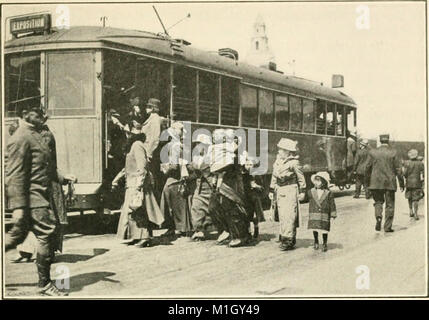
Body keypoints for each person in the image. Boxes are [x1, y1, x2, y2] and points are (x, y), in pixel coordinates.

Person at [4, 105, 76, 296]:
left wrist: (63, 178)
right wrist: (18, 207)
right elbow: (14, 175)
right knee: (47, 234)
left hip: (39, 195)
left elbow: (46, 165)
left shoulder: (36, 133)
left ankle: (44, 282)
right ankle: (44, 284)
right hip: (32, 197)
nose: (43, 115)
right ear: (25, 114)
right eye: (38, 113)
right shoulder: (21, 137)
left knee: (16, 237)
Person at [112, 132, 164, 247]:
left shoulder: (137, 145)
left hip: (137, 184)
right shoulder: (134, 146)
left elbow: (142, 166)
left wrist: (139, 185)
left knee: (138, 209)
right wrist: (116, 179)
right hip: (132, 184)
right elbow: (127, 168)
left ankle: (145, 237)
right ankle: (136, 236)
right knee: (133, 210)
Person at [269, 138, 306, 251]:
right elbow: (274, 176)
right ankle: (283, 236)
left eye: (281, 149)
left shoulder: (294, 163)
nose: (279, 151)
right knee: (281, 215)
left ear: (287, 151)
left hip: (290, 190)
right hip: (279, 190)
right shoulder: (278, 161)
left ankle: (289, 240)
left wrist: (302, 191)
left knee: (289, 215)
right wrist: (271, 190)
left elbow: (301, 178)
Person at [160, 122, 194, 236]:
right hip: (179, 178)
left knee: (171, 201)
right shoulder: (180, 145)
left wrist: (165, 168)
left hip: (173, 178)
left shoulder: (174, 146)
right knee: (178, 202)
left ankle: (176, 227)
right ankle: (179, 227)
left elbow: (174, 166)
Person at [366, 134, 404, 232]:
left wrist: (367, 183)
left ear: (380, 141)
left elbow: (367, 168)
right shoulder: (393, 152)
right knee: (390, 205)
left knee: (378, 202)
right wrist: (401, 183)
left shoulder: (373, 152)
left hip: (375, 183)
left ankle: (378, 217)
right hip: (389, 183)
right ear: (388, 141)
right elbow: (399, 170)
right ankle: (387, 227)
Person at [189, 133, 214, 241]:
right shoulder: (197, 157)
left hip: (210, 187)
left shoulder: (211, 157)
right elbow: (195, 169)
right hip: (199, 188)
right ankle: (198, 230)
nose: (197, 146)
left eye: (199, 143)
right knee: (196, 207)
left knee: (211, 209)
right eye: (196, 144)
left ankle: (209, 228)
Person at [307, 172, 337, 252]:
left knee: (324, 229)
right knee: (315, 228)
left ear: (323, 182)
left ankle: (324, 243)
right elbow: (306, 197)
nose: (316, 182)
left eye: (319, 181)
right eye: (316, 180)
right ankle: (316, 241)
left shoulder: (329, 193)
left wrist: (333, 214)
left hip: (324, 213)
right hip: (314, 213)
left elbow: (332, 204)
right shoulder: (311, 192)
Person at [141, 98, 164, 200]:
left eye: (149, 107)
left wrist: (149, 154)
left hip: (149, 154)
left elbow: (155, 138)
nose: (146, 108)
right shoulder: (151, 118)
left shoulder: (155, 119)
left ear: (154, 109)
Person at [403, 149, 425, 220]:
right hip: (417, 183)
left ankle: (410, 211)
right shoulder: (420, 163)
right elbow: (422, 174)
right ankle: (416, 213)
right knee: (416, 199)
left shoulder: (407, 163)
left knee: (409, 197)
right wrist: (422, 183)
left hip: (409, 183)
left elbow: (405, 174)